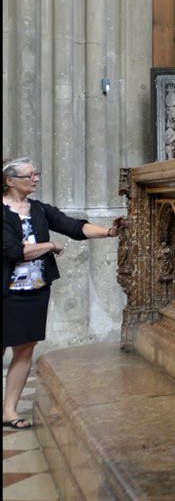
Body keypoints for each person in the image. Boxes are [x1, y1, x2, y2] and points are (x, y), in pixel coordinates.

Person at [3, 158, 121, 431]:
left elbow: (75, 227)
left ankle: (8, 411)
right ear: (9, 181)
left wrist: (110, 231)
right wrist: (49, 245)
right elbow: (12, 251)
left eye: (36, 174)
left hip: (34, 291)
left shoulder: (39, 209)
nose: (35, 179)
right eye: (28, 175)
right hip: (5, 293)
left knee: (25, 349)